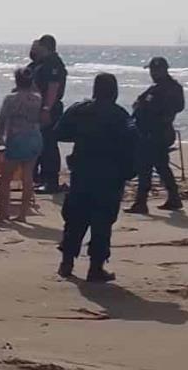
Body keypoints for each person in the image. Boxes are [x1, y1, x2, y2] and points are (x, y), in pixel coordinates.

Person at [56, 73, 137, 283]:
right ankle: (95, 267)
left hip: (82, 171)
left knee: (75, 218)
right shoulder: (120, 115)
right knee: (102, 222)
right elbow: (133, 143)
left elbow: (59, 132)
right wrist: (130, 171)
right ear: (114, 91)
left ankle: (67, 262)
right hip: (108, 176)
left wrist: (82, 134)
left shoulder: (80, 110)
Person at [124, 57, 185, 215]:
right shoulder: (157, 87)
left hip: (156, 132)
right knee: (161, 166)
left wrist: (148, 109)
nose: (153, 73)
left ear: (163, 70)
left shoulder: (170, 88)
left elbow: (174, 108)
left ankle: (141, 202)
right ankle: (173, 197)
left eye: (155, 70)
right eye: (152, 70)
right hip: (150, 131)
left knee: (146, 167)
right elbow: (141, 103)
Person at [0, 68, 42, 222]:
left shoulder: (11, 98)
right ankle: (22, 214)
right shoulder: (37, 98)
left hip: (17, 137)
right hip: (34, 136)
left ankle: (4, 212)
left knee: (6, 177)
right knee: (28, 176)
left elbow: (2, 119)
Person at [28, 35, 68, 194]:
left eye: (37, 45)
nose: (34, 48)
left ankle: (51, 181)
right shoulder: (40, 64)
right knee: (40, 144)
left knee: (49, 145)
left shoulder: (53, 63)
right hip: (39, 107)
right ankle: (42, 178)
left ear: (45, 47)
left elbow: (53, 88)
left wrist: (46, 109)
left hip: (49, 108)